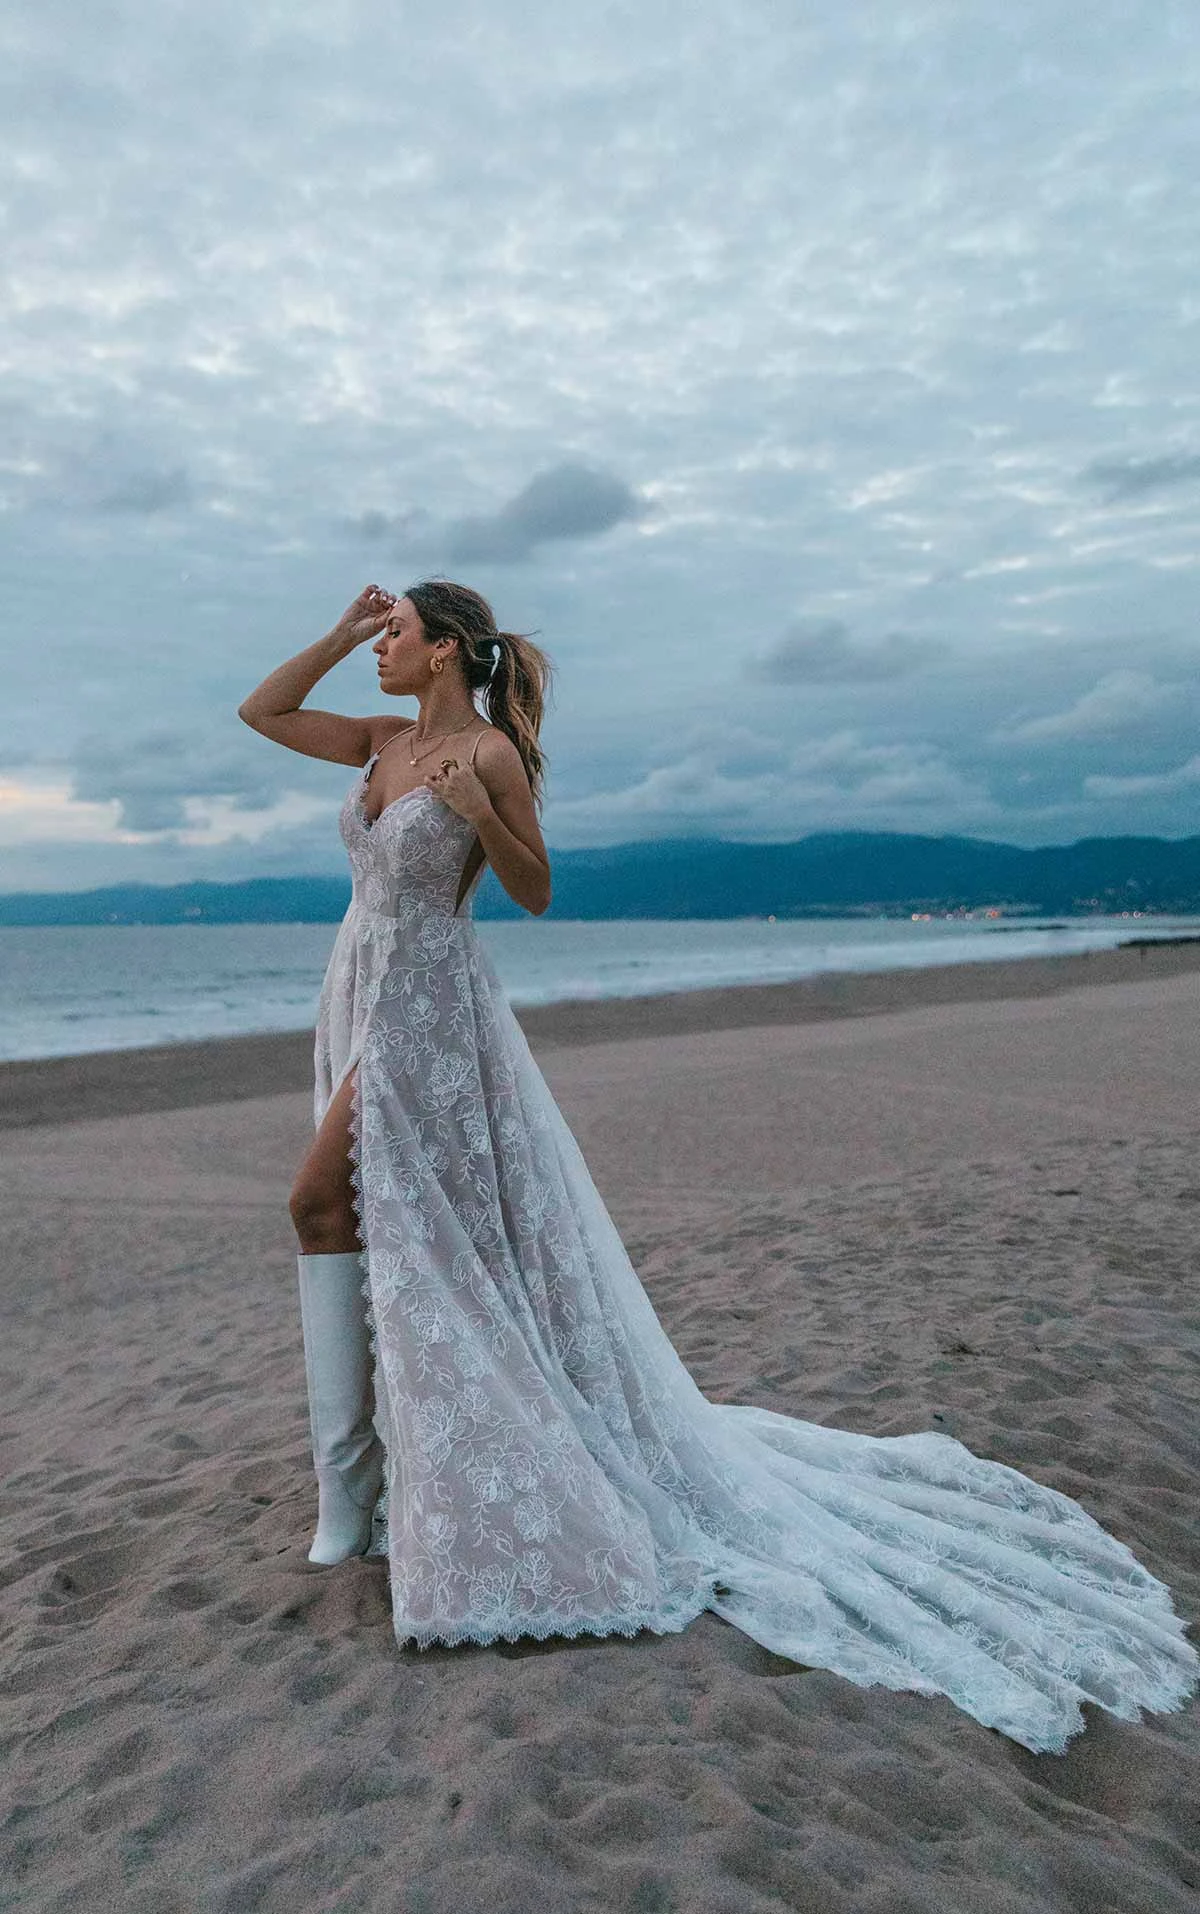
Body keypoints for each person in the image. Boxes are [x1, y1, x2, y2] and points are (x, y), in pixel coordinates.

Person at [238, 579, 1199, 1756]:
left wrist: (475, 813)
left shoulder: (487, 751)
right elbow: (262, 712)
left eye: (391, 638)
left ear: (445, 648)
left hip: (430, 1006)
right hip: (358, 981)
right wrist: (335, 636)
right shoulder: (381, 738)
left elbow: (533, 889)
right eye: (376, 638)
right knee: (364, 1215)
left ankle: (348, 1498)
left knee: (321, 1199)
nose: (380, 653)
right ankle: (361, 1487)